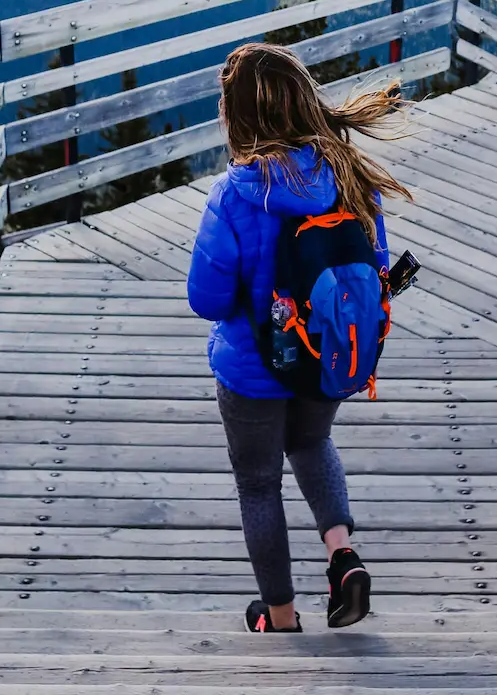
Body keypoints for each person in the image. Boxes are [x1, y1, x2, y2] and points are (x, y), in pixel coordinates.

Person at [186, 42, 412, 633]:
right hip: (329, 357)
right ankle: (342, 554)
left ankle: (281, 619)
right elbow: (377, 264)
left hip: (252, 372)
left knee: (259, 484)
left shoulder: (234, 194)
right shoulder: (348, 174)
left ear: (237, 119)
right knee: (312, 445)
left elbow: (206, 299)